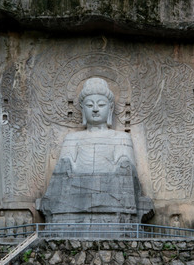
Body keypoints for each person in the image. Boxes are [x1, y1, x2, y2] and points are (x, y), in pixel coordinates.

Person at [38, 78, 153, 223]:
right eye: (90, 105)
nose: (95, 109)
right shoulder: (72, 138)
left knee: (125, 168)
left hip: (111, 194)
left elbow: (126, 173)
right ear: (83, 109)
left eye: (101, 104)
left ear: (110, 108)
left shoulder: (121, 137)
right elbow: (63, 173)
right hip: (77, 195)